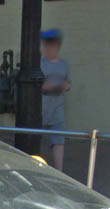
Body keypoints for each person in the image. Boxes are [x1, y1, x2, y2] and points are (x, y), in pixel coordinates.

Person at [40, 28, 71, 171]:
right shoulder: (40, 64)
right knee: (36, 137)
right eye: (46, 45)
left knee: (59, 140)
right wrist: (47, 86)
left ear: (57, 47)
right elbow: (35, 86)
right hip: (41, 105)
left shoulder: (64, 65)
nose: (48, 49)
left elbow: (68, 83)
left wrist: (65, 86)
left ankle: (59, 171)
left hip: (57, 105)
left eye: (51, 45)